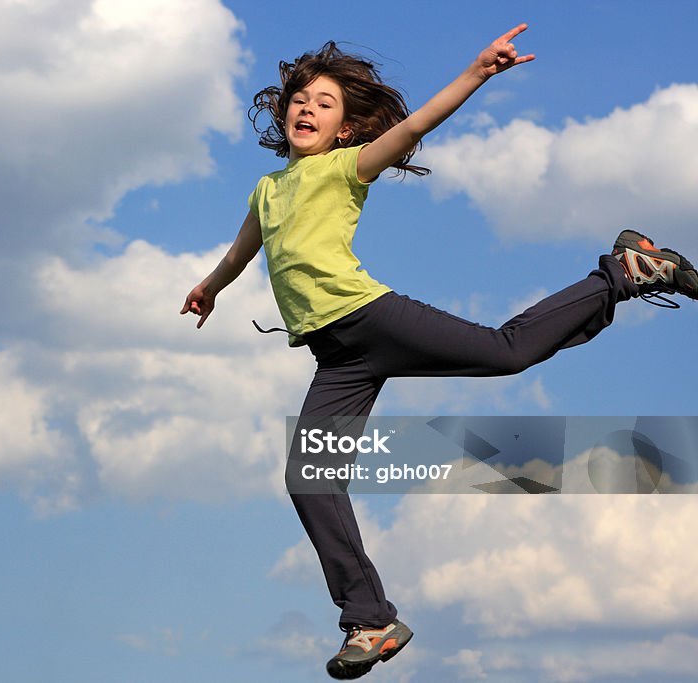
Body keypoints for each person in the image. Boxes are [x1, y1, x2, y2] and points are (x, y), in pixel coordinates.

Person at [180, 24, 698, 680]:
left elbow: (417, 122)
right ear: (284, 113)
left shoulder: (346, 168)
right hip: (337, 358)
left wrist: (477, 73)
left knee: (507, 351)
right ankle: (369, 619)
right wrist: (209, 287)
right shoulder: (266, 189)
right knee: (308, 476)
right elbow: (243, 248)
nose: (306, 108)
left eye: (324, 103)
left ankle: (623, 272)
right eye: (299, 100)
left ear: (346, 129)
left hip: (371, 320)